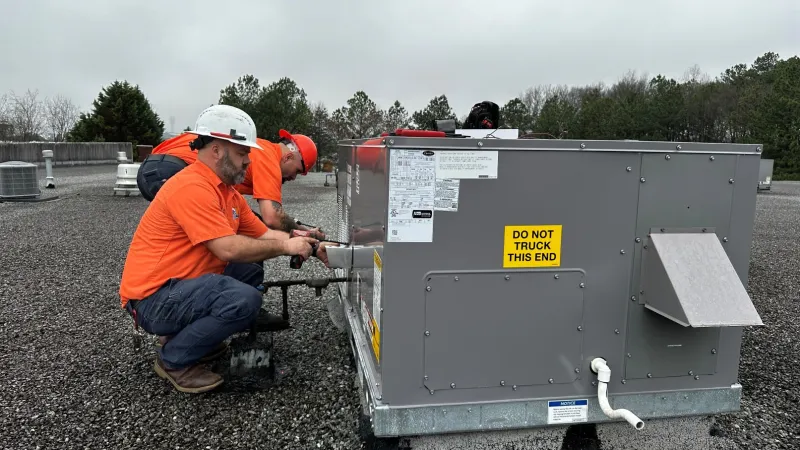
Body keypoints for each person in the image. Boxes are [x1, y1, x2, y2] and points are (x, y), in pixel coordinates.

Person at [119, 104, 331, 393]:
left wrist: (311, 244)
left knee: (249, 267)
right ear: (217, 150)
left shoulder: (228, 193)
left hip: (176, 286)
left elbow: (265, 233)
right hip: (152, 300)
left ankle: (186, 337)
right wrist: (285, 246)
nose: (248, 161)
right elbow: (228, 249)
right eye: (243, 153)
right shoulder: (191, 187)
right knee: (243, 300)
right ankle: (173, 360)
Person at [234, 130, 326, 239]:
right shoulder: (270, 161)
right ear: (288, 157)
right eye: (297, 171)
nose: (293, 178)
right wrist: (308, 234)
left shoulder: (264, 148)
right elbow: (273, 217)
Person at [135, 132, 197, 201]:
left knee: (162, 209)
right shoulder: (208, 144)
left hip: (146, 167)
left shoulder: (189, 136)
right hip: (170, 168)